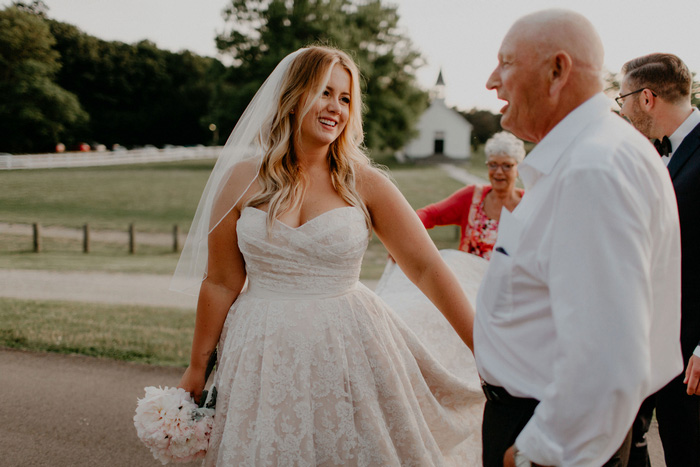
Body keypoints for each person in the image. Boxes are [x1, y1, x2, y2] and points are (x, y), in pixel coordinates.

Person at [172, 46, 483, 466]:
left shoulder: (365, 183)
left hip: (348, 347)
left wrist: (484, 349)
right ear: (294, 95)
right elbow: (222, 281)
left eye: (346, 98)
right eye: (325, 92)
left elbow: (427, 269)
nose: (335, 107)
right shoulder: (241, 180)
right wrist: (196, 366)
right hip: (261, 352)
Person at [477, 9, 682, 467]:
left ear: (557, 71)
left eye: (506, 62)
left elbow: (607, 359)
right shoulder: (595, 152)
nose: (493, 81)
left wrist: (534, 455)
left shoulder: (592, 169)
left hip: (547, 434)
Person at [618, 53, 700, 467]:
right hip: (648, 339)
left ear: (645, 98)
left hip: (692, 351)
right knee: (624, 439)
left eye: (622, 99)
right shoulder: (649, 152)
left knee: (688, 450)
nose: (622, 109)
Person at [416, 131, 525, 260]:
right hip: (468, 277)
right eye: (493, 165)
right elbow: (430, 215)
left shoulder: (530, 202)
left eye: (507, 166)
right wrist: (403, 240)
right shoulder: (472, 197)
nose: (499, 172)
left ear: (518, 169)